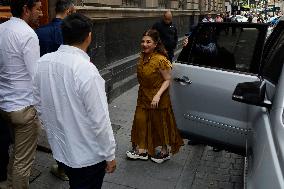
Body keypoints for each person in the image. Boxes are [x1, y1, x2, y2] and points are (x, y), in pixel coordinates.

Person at [33, 13, 116, 189]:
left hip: (62, 149)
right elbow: (100, 120)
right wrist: (109, 155)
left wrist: (52, 130)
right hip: (88, 156)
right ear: (89, 36)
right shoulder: (87, 71)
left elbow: (39, 104)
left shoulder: (42, 63)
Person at [0, 0, 43, 188]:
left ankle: (8, 184)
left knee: (17, 154)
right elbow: (36, 76)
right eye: (38, 9)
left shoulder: (2, 29)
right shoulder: (28, 34)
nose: (41, 13)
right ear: (26, 9)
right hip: (23, 107)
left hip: (5, 104)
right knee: (23, 163)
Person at [126, 29, 184, 164]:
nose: (144, 44)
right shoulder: (142, 56)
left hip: (158, 97)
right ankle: (142, 150)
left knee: (159, 124)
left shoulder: (161, 60)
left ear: (155, 44)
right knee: (140, 121)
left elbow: (168, 79)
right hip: (143, 95)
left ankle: (164, 151)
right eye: (143, 41)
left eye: (148, 42)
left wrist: (157, 95)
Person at [35, 0, 75, 181]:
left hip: (44, 88)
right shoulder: (73, 34)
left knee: (51, 126)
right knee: (66, 128)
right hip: (65, 89)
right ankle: (63, 167)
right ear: (69, 10)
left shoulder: (39, 32)